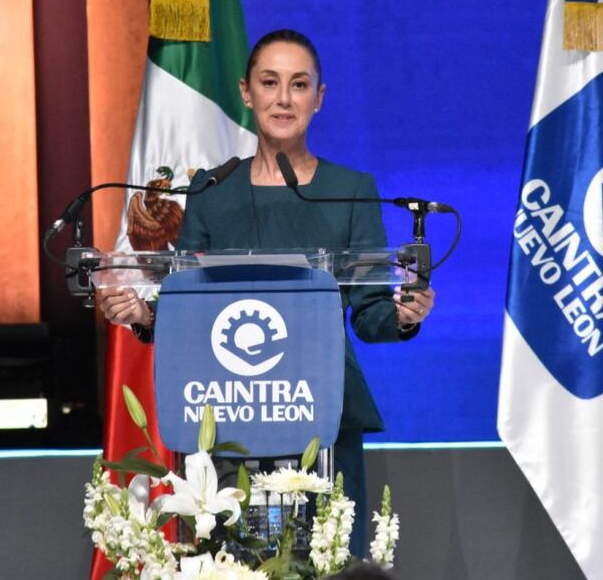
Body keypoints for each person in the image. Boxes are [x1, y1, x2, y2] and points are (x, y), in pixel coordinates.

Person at [99, 29, 435, 556]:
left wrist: (406, 315)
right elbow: (185, 314)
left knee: (325, 560)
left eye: (299, 85)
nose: (284, 98)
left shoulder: (351, 190)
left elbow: (371, 316)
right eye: (270, 82)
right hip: (229, 418)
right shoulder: (210, 193)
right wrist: (144, 313)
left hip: (322, 419)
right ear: (245, 92)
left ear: (319, 98)